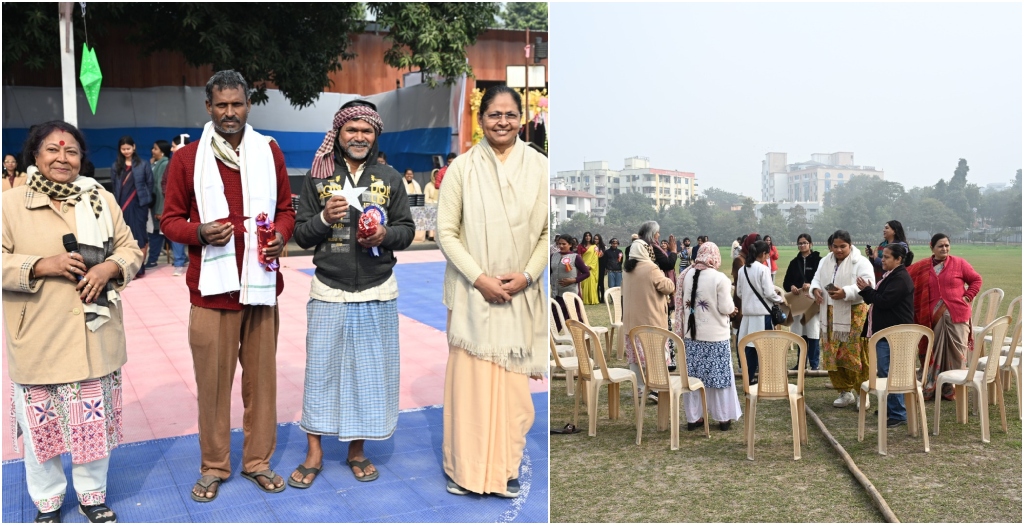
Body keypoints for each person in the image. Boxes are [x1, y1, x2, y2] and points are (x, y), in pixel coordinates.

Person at [161, 70, 295, 501]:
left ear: (249, 105)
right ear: (208, 108)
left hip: (260, 289)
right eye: (222, 105)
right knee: (213, 387)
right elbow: (169, 221)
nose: (230, 112)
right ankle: (214, 466)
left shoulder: (268, 150)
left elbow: (285, 209)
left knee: (262, 384)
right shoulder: (187, 159)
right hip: (211, 293)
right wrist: (199, 233)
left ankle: (257, 462)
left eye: (237, 104)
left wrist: (280, 235)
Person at [3, 121, 143, 523]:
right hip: (38, 335)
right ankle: (47, 502)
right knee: (40, 429)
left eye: (71, 152)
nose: (62, 158)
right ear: (35, 155)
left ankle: (91, 496)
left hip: (92, 333)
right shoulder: (10, 204)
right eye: (51, 150)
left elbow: (129, 247)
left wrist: (110, 269)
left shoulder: (99, 197)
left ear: (81, 158)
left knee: (91, 423)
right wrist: (40, 265)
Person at [288, 100, 414, 488]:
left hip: (377, 290)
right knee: (320, 372)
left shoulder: (390, 178)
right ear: (338, 133)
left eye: (367, 130)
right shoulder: (317, 176)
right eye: (351, 130)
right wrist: (325, 218)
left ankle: (357, 451)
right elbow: (300, 234)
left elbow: (406, 230)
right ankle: (314, 451)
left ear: (375, 135)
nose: (359, 136)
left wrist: (385, 235)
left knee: (368, 375)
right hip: (328, 290)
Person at [437, 85, 547, 497]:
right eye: (494, 115)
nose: (502, 122)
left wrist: (528, 276)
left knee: (514, 392)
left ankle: (505, 468)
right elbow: (446, 233)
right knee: (470, 389)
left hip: (519, 294)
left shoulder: (539, 167)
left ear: (521, 119)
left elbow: (546, 233)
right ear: (481, 119)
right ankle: (464, 470)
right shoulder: (462, 168)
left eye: (510, 114)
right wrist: (480, 278)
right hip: (472, 294)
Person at [675, 242, 742, 431]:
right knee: (719, 379)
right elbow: (726, 308)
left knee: (694, 378)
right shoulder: (720, 278)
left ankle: (694, 417)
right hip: (715, 337)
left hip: (691, 337)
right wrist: (733, 310)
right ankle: (722, 417)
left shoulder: (686, 275)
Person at [907, 233, 982, 401]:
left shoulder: (959, 263)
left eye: (947, 245)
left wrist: (968, 296)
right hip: (932, 318)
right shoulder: (923, 267)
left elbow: (976, 280)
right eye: (940, 246)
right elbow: (905, 276)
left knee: (956, 353)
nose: (945, 249)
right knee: (934, 351)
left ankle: (951, 387)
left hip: (958, 315)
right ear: (931, 247)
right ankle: (933, 385)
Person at [811, 230, 875, 408]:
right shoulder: (825, 261)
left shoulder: (860, 262)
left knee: (855, 354)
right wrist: (815, 290)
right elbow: (816, 279)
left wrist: (845, 292)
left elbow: (869, 283)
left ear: (850, 245)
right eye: (835, 246)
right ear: (830, 246)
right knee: (835, 353)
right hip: (830, 314)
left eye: (842, 246)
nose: (838, 250)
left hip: (854, 314)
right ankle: (844, 392)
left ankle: (863, 392)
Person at [856, 243, 915, 427]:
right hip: (886, 332)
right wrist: (867, 291)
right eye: (883, 256)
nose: (883, 259)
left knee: (890, 372)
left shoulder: (900, 278)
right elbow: (876, 298)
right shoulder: (891, 275)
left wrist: (867, 290)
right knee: (884, 371)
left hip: (893, 333)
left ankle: (898, 413)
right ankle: (891, 408)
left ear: (898, 259)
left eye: (888, 257)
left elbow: (883, 301)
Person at [623, 223, 676, 403]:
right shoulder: (650, 268)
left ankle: (639, 387)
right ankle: (654, 388)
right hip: (650, 319)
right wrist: (662, 272)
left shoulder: (627, 269)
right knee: (654, 354)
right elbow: (668, 287)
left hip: (631, 321)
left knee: (635, 357)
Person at [735, 240, 784, 385]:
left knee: (749, 348)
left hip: (748, 315)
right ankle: (767, 378)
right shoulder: (763, 269)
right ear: (763, 254)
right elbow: (769, 292)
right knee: (766, 347)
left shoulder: (742, 269)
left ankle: (749, 378)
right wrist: (779, 298)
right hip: (763, 315)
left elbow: (739, 292)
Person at [111, 135, 154, 278]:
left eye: (128, 148)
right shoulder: (116, 166)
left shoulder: (143, 164)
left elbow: (150, 183)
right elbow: (115, 187)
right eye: (123, 149)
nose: (126, 151)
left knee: (140, 236)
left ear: (134, 147)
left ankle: (139, 268)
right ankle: (128, 267)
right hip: (122, 206)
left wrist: (146, 202)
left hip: (139, 205)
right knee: (125, 237)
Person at [782, 233, 823, 370]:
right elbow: (786, 282)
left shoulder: (818, 261)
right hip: (799, 304)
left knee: (813, 332)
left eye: (804, 242)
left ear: (810, 244)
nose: (802, 245)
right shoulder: (794, 262)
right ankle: (800, 363)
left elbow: (823, 280)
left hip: (812, 302)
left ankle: (814, 363)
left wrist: (811, 285)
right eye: (799, 243)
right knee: (800, 333)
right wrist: (792, 287)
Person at [551, 233, 590, 331]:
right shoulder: (553, 256)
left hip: (571, 294)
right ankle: (554, 343)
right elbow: (550, 272)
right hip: (557, 295)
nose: (561, 246)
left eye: (564, 244)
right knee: (555, 320)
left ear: (570, 245)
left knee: (575, 320)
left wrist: (574, 280)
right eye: (559, 244)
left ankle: (581, 340)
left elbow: (586, 273)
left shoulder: (575, 257)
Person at [144, 140, 172, 269]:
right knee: (160, 232)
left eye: (155, 149)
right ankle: (180, 257)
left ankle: (153, 259)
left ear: (162, 151)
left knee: (156, 232)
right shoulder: (155, 163)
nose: (152, 151)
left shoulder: (164, 164)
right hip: (155, 204)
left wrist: (160, 209)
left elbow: (161, 188)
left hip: (159, 205)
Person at [166, 134, 191, 275]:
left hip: (194, 205)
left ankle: (190, 261)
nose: (171, 149)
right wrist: (172, 196)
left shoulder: (198, 160)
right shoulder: (172, 162)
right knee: (177, 233)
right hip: (178, 204)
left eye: (174, 146)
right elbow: (165, 182)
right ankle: (179, 263)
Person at [578, 231, 600, 305]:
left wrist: (590, 266)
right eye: (586, 236)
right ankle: (585, 300)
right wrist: (583, 266)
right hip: (583, 267)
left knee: (591, 283)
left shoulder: (594, 247)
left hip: (591, 268)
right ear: (584, 237)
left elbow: (595, 257)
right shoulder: (580, 246)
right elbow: (579, 256)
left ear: (591, 237)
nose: (588, 237)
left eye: (589, 236)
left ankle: (592, 299)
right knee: (583, 283)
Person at [424, 168, 441, 241]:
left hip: (440, 206)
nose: (436, 177)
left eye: (438, 175)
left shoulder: (442, 185)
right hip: (431, 206)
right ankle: (431, 235)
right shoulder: (428, 185)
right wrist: (434, 202)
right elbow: (425, 198)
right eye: (435, 175)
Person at [594, 233, 608, 303]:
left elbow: (605, 258)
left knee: (601, 283)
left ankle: (602, 298)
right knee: (595, 283)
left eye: (597, 239)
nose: (595, 240)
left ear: (599, 239)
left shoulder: (604, 247)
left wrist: (606, 268)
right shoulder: (592, 246)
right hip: (594, 266)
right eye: (595, 239)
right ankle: (597, 298)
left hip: (601, 266)